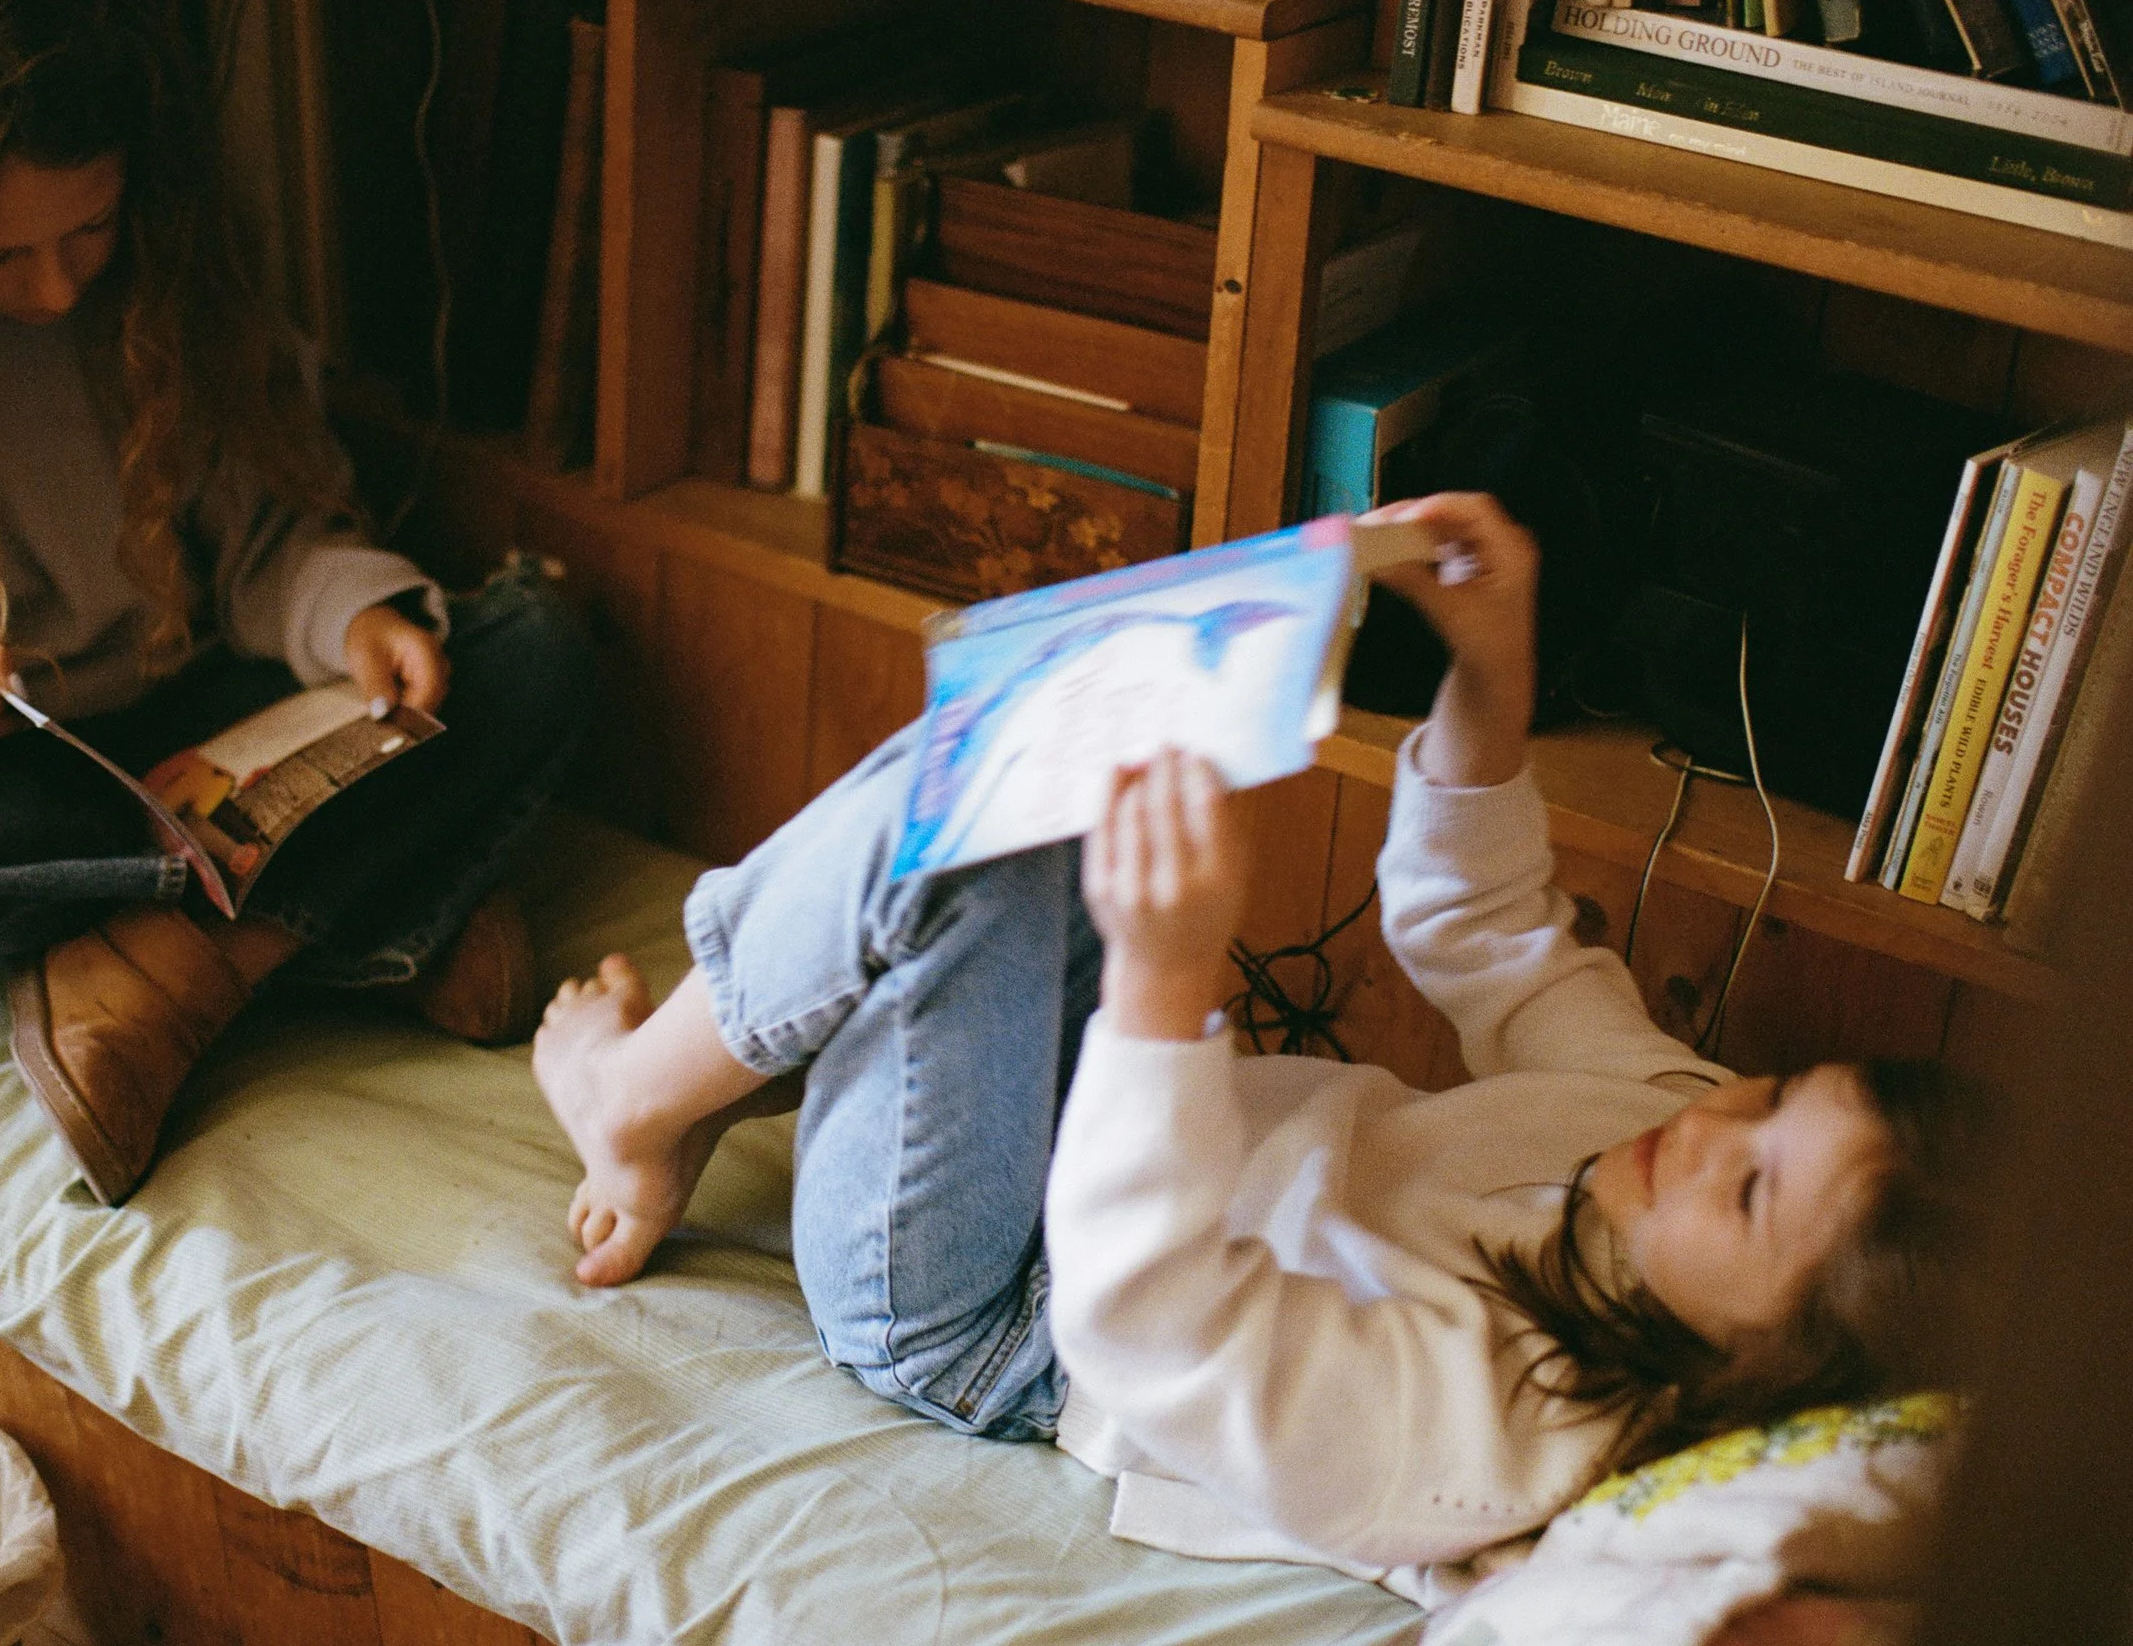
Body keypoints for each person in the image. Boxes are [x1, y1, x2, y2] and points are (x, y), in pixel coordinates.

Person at [533, 492, 1979, 1579]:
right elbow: (1489, 930)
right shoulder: (1661, 1114)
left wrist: (1167, 985)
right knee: (1046, 739)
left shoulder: (1493, 1432)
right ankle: (725, 1064)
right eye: (1776, 1092)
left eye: (1751, 1184)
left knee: (977, 834)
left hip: (1000, 1311)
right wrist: (1492, 677)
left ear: (1752, 1374)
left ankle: (636, 1103)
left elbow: (1146, 1310)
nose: (1715, 1120)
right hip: (1107, 1134)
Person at [0, 0, 593, 1205]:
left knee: (533, 642)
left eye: (90, 231)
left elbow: (267, 551)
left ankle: (186, 964)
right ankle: (354, 922)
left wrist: (349, 615)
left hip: (212, 728)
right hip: (18, 784)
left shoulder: (173, 307)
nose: (57, 288)